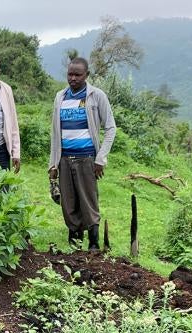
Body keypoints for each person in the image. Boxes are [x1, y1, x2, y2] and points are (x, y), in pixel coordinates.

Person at [48, 57, 116, 250]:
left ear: (87, 75)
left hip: (87, 159)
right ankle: (74, 241)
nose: (73, 78)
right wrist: (53, 164)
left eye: (78, 74)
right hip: (64, 158)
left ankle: (93, 243)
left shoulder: (96, 96)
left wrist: (100, 159)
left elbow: (110, 128)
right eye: (70, 74)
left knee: (88, 201)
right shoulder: (60, 97)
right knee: (68, 202)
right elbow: (55, 133)